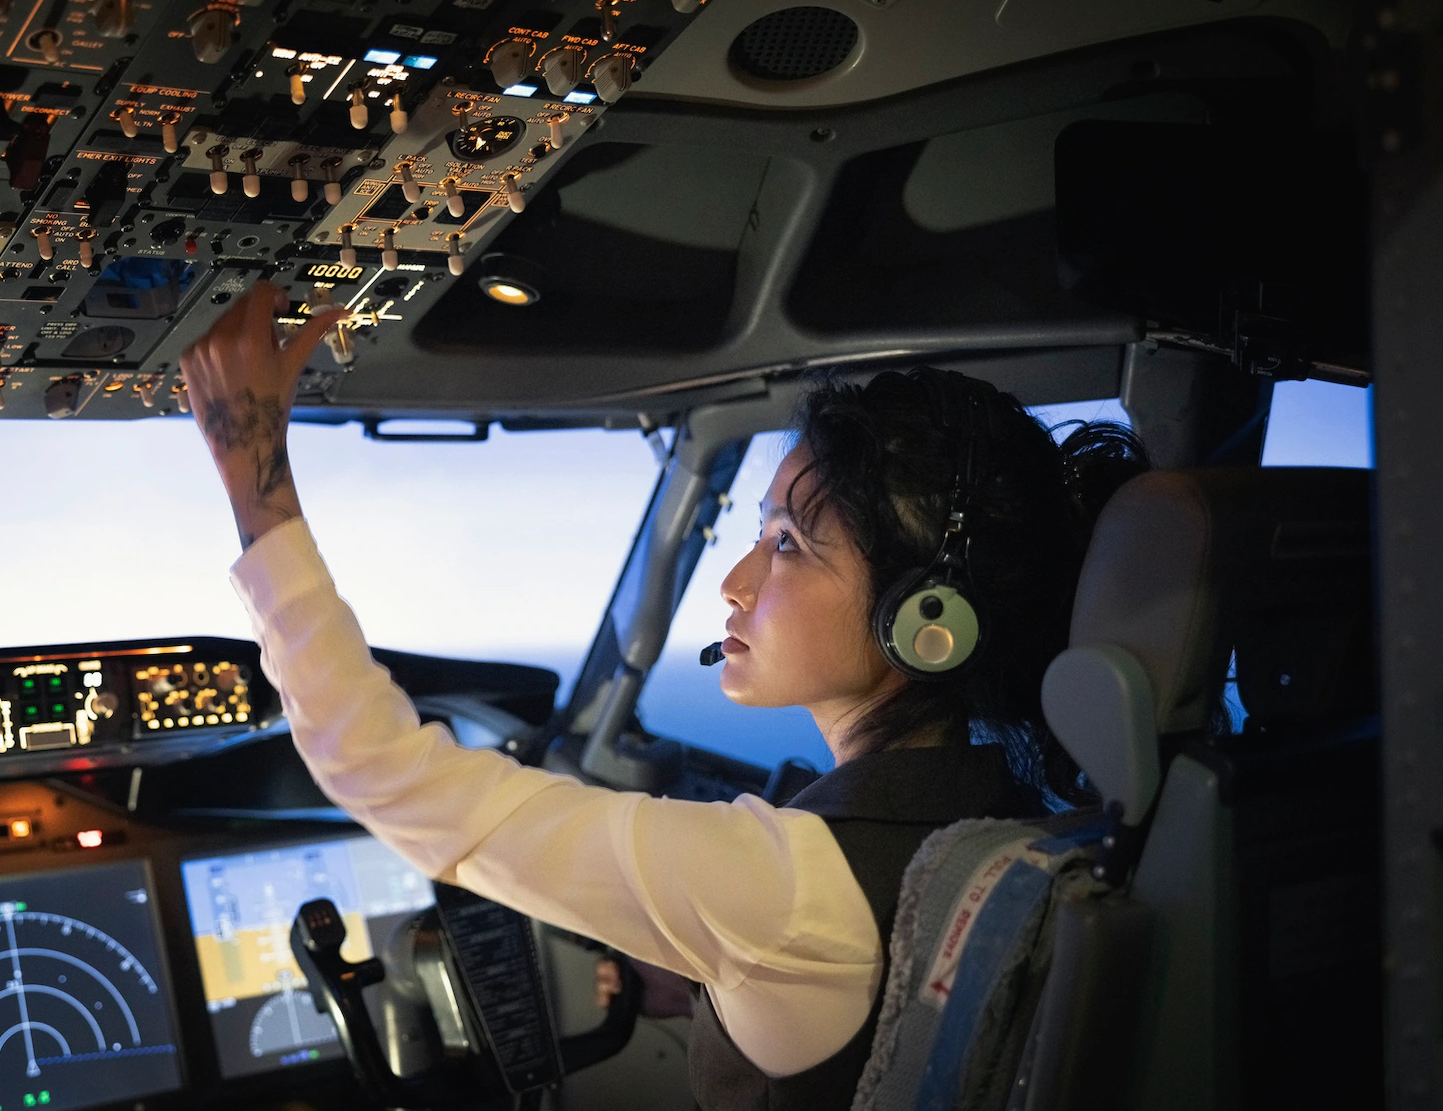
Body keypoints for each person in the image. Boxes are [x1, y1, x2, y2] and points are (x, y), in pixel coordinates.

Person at [179, 284, 1148, 1111]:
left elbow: (385, 774)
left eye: (787, 547)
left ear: (923, 618)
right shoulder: (1016, 826)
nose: (734, 582)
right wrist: (714, 991)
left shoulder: (784, 888)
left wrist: (249, 470)